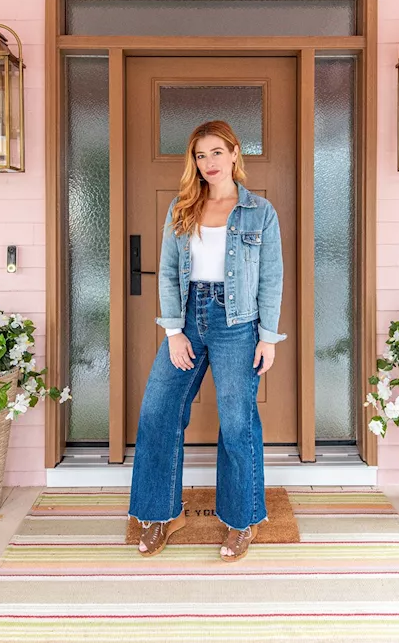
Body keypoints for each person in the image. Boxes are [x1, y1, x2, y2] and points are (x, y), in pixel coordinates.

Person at [128, 120, 286, 562]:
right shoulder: (182, 207)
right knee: (159, 410)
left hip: (239, 323)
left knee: (237, 422)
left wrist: (268, 338)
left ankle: (241, 521)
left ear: (235, 154)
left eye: (217, 152)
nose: (209, 162)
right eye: (201, 155)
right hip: (190, 315)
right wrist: (174, 332)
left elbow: (271, 278)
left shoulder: (260, 212)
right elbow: (168, 272)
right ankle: (161, 512)